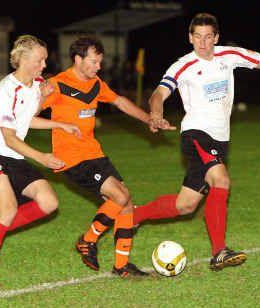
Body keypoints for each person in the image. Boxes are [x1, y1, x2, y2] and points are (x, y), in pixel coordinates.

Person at [135, 13, 260, 271]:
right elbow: (159, 93)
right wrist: (156, 115)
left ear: (216, 37)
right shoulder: (183, 65)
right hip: (196, 134)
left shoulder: (229, 55)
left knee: (186, 205)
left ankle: (133, 215)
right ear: (190, 38)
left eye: (208, 37)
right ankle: (219, 252)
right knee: (221, 180)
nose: (203, 43)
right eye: (198, 37)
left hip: (221, 138)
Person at [41, 37, 173, 277]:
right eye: (94, 61)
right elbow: (29, 114)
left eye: (100, 62)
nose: (98, 67)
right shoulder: (57, 84)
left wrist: (149, 119)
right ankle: (87, 240)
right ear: (78, 59)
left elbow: (120, 102)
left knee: (125, 202)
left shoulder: (95, 83)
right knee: (120, 196)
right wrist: (47, 110)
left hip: (94, 153)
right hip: (71, 157)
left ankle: (121, 266)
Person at [0, 35, 80, 287]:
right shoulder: (5, 90)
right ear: (22, 59)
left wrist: (59, 123)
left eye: (44, 60)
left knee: (49, 202)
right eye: (39, 60)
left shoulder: (36, 83)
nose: (44, 65)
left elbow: (27, 118)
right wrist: (42, 157)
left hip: (14, 153)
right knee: (8, 209)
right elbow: (9, 137)